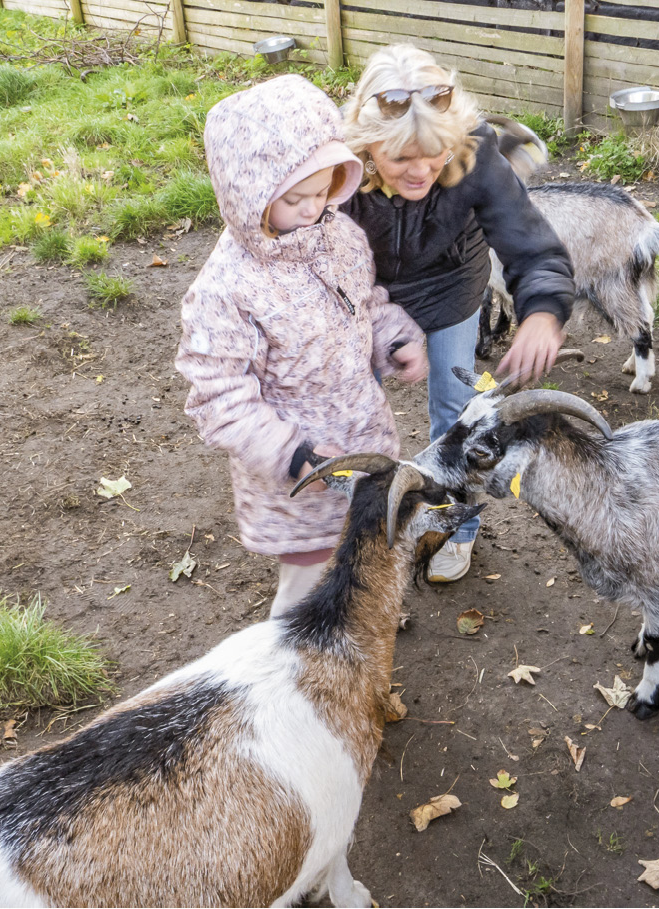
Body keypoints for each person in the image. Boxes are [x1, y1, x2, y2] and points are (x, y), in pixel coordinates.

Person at [176, 75, 427, 618]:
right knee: (309, 583)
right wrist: (290, 453)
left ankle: (362, 617)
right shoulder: (227, 289)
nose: (313, 209)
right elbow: (219, 396)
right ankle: (290, 666)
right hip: (301, 474)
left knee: (368, 542)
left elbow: (363, 304)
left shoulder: (337, 237)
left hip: (363, 438)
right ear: (250, 191)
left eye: (323, 191)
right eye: (294, 199)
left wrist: (392, 335)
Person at [341, 44, 575, 582]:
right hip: (364, 295)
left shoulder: (475, 152)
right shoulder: (337, 171)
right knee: (351, 411)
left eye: (436, 156)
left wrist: (542, 311)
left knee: (456, 410)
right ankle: (358, 530)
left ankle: (455, 528)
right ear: (367, 147)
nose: (422, 171)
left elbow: (533, 247)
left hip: (451, 287)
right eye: (401, 160)